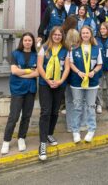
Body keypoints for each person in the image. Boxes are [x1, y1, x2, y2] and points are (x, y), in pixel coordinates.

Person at [1, 32, 38, 155]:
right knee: (14, 116)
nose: (28, 42)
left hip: (30, 90)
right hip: (17, 89)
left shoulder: (36, 55)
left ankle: (21, 138)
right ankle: (6, 141)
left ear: (32, 42)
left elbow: (37, 73)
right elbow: (14, 71)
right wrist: (28, 71)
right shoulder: (15, 54)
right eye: (25, 40)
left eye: (30, 40)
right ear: (22, 42)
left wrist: (23, 74)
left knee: (26, 116)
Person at [37, 26, 70, 161]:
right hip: (46, 84)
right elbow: (39, 66)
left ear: (62, 36)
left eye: (59, 35)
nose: (57, 37)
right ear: (51, 35)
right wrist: (48, 80)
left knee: (54, 111)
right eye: (55, 35)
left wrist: (61, 80)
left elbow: (67, 67)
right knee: (45, 112)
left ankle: (50, 133)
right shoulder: (44, 49)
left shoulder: (66, 50)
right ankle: (43, 143)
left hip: (59, 84)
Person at [70, 26, 102, 143]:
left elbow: (99, 64)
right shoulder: (74, 48)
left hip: (92, 83)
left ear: (91, 34)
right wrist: (78, 72)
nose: (85, 35)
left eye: (87, 33)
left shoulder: (96, 48)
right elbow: (71, 63)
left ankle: (91, 129)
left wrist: (93, 72)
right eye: (83, 33)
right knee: (77, 107)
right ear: (80, 35)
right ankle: (75, 131)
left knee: (90, 107)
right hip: (77, 82)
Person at [65, 28, 87, 133]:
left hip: (67, 80)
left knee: (69, 102)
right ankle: (82, 124)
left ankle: (70, 126)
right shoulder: (80, 49)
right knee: (81, 102)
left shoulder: (65, 50)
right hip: (78, 80)